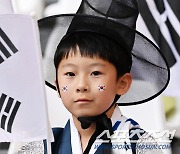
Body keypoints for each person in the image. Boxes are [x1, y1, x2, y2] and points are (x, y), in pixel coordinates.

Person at [17, 0, 170, 153]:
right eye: (70, 74)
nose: (81, 85)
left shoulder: (139, 146)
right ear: (57, 86)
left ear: (122, 83)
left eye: (95, 73)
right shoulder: (45, 146)